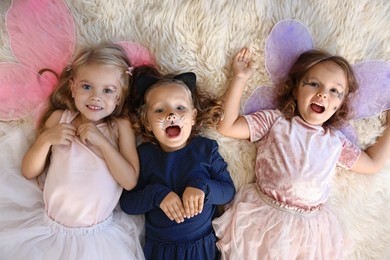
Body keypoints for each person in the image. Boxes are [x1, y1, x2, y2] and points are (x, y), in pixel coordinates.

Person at [212, 48, 390, 259]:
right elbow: (228, 126)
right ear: (296, 89)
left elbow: (372, 163)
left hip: (309, 231)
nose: (323, 93)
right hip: (263, 218)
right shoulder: (275, 122)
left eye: (335, 91)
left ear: (339, 104)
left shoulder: (336, 143)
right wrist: (239, 78)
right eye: (314, 84)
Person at [0, 42, 145, 260]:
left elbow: (129, 181)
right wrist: (46, 140)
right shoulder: (60, 119)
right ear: (73, 87)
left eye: (107, 90)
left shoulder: (119, 127)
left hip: (98, 239)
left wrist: (103, 143)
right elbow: (29, 171)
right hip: (48, 231)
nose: (96, 97)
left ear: (118, 97)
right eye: (87, 87)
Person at [120, 66, 236, 260]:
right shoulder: (144, 155)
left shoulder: (205, 150)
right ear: (147, 122)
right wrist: (157, 194)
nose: (170, 115)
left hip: (201, 248)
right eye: (159, 109)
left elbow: (228, 192)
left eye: (180, 108)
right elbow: (128, 203)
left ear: (193, 117)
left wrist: (203, 187)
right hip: (160, 251)